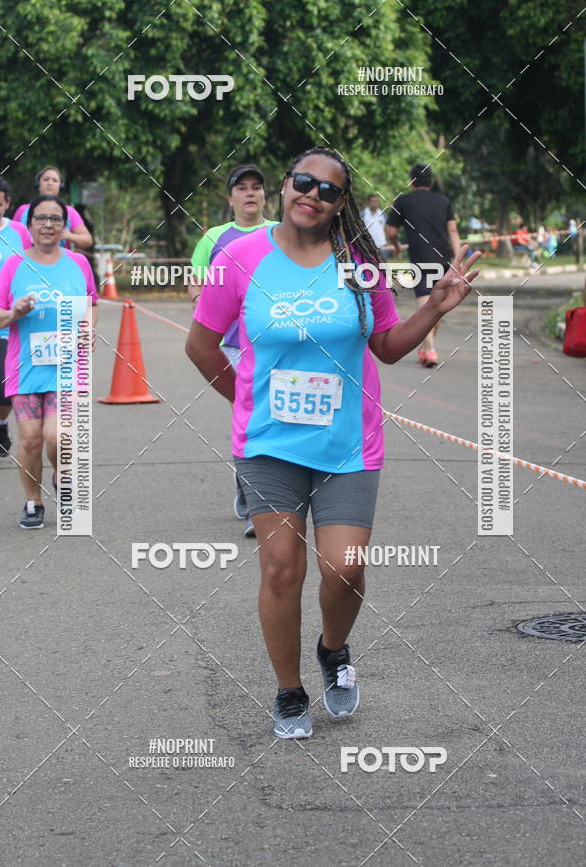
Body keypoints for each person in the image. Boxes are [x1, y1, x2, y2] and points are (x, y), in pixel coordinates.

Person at [186, 146, 480, 739]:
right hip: (269, 445)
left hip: (348, 443)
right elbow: (201, 345)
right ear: (286, 186)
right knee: (279, 568)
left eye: (327, 190)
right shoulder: (239, 257)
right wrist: (247, 405)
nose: (311, 195)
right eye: (302, 182)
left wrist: (436, 307)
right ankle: (289, 692)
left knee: (344, 568)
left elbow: (389, 346)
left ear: (340, 203)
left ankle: (332, 649)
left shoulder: (357, 264)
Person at [0, 194, 98, 529]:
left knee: (57, 437)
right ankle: (33, 501)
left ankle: (61, 477)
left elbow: (91, 302)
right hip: (25, 369)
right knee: (31, 439)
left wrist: (87, 328)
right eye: (41, 218)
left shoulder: (78, 264)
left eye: (55, 218)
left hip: (68, 367)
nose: (48, 224)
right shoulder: (15, 265)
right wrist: (14, 312)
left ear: (64, 225)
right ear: (29, 223)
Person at [187, 164, 276, 538]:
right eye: (242, 188)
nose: (250, 193)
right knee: (251, 417)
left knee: (274, 416)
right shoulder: (214, 238)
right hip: (233, 347)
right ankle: (255, 496)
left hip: (274, 344)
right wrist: (208, 312)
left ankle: (268, 494)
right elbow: (196, 283)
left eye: (257, 187)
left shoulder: (279, 234)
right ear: (230, 198)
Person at [386, 164, 461, 367]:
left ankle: (429, 349)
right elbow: (453, 231)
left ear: (411, 182)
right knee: (437, 306)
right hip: (444, 258)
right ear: (432, 182)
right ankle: (429, 349)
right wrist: (458, 258)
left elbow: (391, 231)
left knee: (427, 303)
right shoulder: (443, 201)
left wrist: (395, 246)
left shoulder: (403, 201)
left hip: (420, 258)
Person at [0, 176, 32, 471]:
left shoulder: (18, 233)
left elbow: (31, 266)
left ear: (7, 204)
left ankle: (0, 422)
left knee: (4, 391)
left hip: (8, 323)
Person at [13, 166, 93, 250]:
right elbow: (11, 237)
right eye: (46, 179)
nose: (50, 183)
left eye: (55, 180)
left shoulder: (70, 212)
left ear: (60, 186)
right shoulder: (22, 210)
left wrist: (69, 236)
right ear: (38, 184)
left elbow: (88, 240)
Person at [360, 194, 389, 260]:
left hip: (382, 246)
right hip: (368, 246)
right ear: (369, 202)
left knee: (383, 267)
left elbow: (386, 229)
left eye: (376, 201)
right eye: (372, 201)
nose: (374, 203)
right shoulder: (363, 214)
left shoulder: (383, 214)